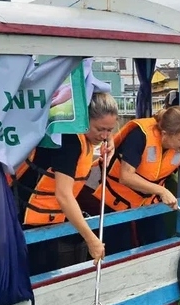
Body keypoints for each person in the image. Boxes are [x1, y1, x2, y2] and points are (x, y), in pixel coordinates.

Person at [92, 105, 180, 255]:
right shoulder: (140, 136)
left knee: (159, 245)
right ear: (165, 134)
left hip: (149, 205)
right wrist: (161, 190)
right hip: (115, 203)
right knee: (118, 251)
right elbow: (126, 176)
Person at [9, 92, 118, 274]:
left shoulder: (87, 136)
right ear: (83, 119)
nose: (104, 135)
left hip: (48, 221)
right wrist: (91, 240)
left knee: (50, 270)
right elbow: (64, 195)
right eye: (100, 129)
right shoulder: (69, 141)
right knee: (34, 276)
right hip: (25, 220)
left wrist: (110, 139)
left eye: (109, 130)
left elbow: (101, 131)